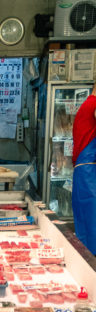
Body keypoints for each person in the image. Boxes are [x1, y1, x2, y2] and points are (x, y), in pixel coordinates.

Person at [72, 85, 96, 254]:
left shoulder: (87, 105)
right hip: (89, 171)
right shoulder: (94, 105)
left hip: (83, 170)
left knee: (85, 220)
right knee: (91, 219)